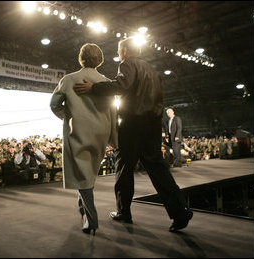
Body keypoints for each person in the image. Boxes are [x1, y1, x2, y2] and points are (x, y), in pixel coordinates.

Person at [73, 38, 192, 232]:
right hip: (153, 124)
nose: (119, 54)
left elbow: (122, 85)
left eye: (119, 50)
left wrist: (94, 88)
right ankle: (180, 211)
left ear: (125, 50)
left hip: (133, 124)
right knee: (158, 169)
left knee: (124, 168)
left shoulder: (127, 63)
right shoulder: (152, 70)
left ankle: (123, 212)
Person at [50, 43, 118, 235]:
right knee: (88, 173)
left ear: (81, 57)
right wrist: (113, 137)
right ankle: (83, 209)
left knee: (82, 174)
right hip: (101, 133)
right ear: (100, 59)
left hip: (78, 131)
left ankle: (92, 218)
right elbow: (114, 112)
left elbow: (54, 104)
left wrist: (68, 116)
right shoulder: (106, 81)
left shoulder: (69, 79)